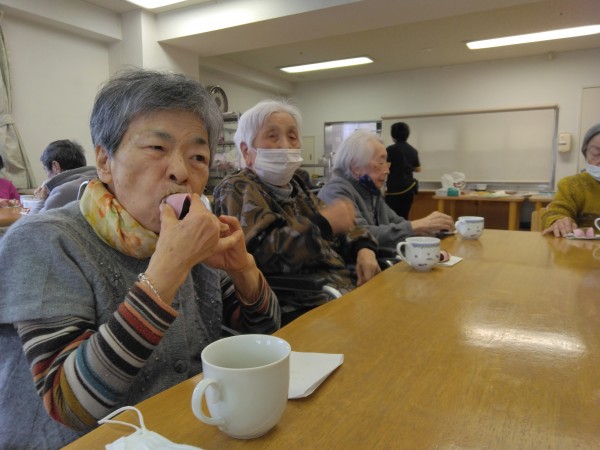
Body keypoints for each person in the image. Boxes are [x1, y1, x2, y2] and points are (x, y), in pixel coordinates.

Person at [0, 69, 280, 449]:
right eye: (156, 148)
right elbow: (69, 403)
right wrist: (169, 268)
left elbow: (265, 337)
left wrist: (243, 268)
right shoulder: (44, 241)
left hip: (189, 428)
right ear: (104, 161)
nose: (180, 171)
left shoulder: (191, 235)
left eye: (198, 156)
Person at [212, 99, 380, 324]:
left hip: (343, 289)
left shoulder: (298, 187)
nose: (285, 145)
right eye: (272, 136)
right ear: (246, 151)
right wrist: (323, 224)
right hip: (302, 304)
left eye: (292, 137)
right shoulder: (237, 187)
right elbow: (259, 255)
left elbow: (343, 228)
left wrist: (363, 248)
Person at [318, 130, 454, 251]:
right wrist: (418, 226)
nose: (387, 171)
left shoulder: (371, 191)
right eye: (381, 163)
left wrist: (432, 230)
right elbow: (360, 236)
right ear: (356, 167)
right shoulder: (336, 190)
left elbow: (397, 223)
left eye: (386, 163)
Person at [542, 123, 600, 237]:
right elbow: (556, 211)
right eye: (597, 152)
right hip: (583, 247)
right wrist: (559, 221)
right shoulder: (572, 185)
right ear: (585, 154)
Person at [32, 139, 97, 213]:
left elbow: (31, 220)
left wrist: (41, 200)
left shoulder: (61, 191)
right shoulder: (96, 178)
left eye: (46, 170)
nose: (47, 176)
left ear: (55, 166)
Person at [385, 121, 421, 219]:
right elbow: (418, 169)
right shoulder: (413, 150)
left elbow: (386, 167)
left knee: (391, 217)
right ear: (407, 134)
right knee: (404, 216)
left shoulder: (390, 149)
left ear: (393, 135)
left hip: (394, 189)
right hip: (409, 189)